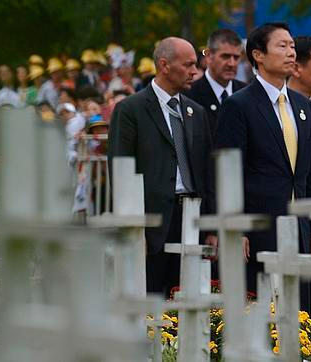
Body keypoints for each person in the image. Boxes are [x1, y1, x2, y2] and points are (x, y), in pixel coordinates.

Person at [214, 22, 311, 338]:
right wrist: (236, 224)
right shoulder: (239, 105)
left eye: (292, 46)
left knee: (299, 310)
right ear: (258, 55)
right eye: (282, 46)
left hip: (298, 226)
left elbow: (310, 171)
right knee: (262, 310)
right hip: (260, 227)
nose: (291, 53)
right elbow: (228, 170)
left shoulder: (304, 106)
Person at [108, 37, 213, 297]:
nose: (194, 71)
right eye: (188, 65)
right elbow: (121, 169)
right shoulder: (131, 110)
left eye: (195, 65)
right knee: (151, 297)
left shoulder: (195, 112)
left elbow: (207, 172)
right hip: (152, 223)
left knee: (190, 298)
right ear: (164, 65)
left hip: (193, 218)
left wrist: (211, 226)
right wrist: (133, 228)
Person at [185, 29, 247, 139]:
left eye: (236, 57)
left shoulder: (247, 94)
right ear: (208, 56)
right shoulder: (189, 96)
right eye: (225, 56)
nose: (231, 63)